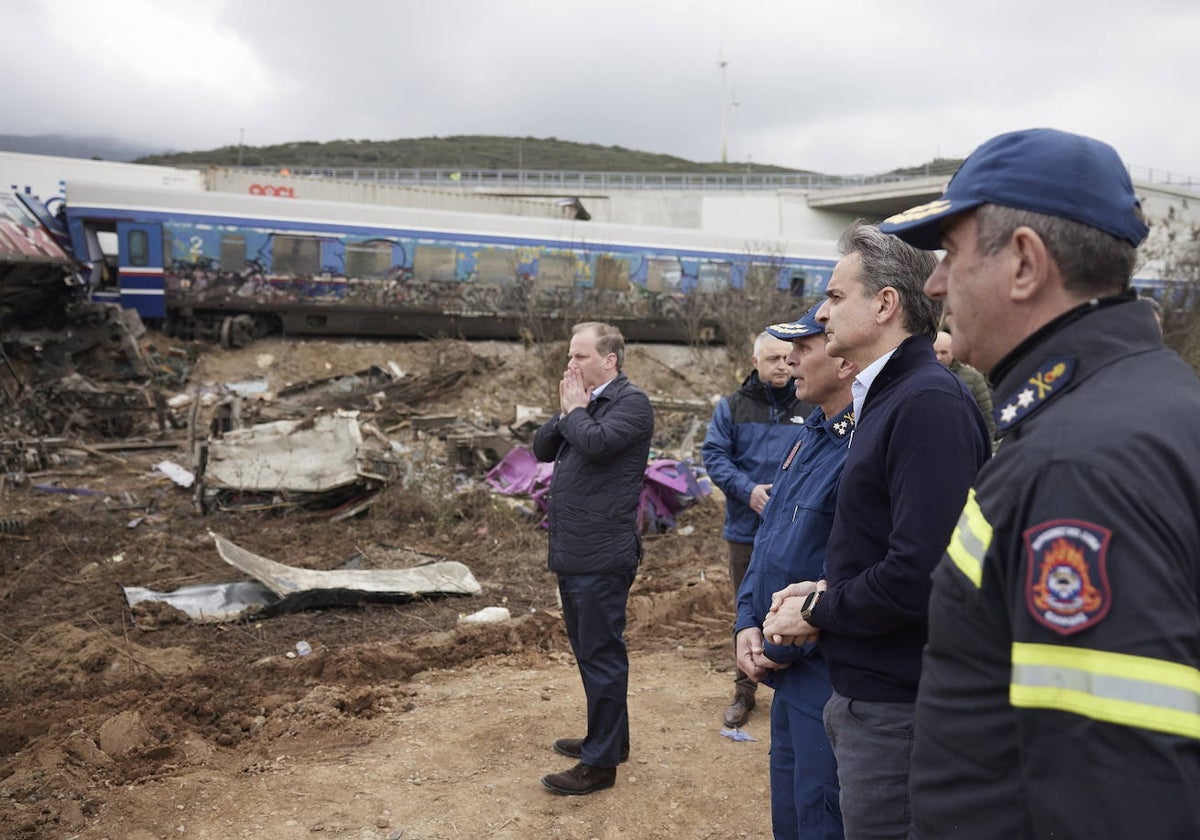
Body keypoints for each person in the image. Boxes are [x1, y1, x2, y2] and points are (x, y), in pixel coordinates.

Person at [879, 127, 1200, 838]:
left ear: (1024, 262)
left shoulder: (1074, 466)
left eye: (952, 255)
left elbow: (1114, 796)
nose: (934, 284)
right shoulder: (1147, 398)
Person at [762, 221, 991, 840]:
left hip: (898, 703)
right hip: (874, 690)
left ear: (885, 304)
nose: (822, 312)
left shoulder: (925, 404)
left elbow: (925, 573)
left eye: (836, 298)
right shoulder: (892, 398)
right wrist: (823, 587)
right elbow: (892, 545)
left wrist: (821, 606)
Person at [734, 303, 856, 840]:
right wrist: (745, 623)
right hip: (784, 664)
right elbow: (769, 546)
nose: (791, 360)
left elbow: (841, 568)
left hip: (820, 670)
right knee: (790, 808)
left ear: (844, 362)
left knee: (821, 813)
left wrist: (775, 648)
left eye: (804, 349)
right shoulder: (811, 434)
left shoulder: (861, 446)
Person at [532, 321, 654, 796]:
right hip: (575, 550)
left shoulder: (632, 403)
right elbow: (542, 449)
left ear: (610, 361)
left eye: (580, 356)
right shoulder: (583, 404)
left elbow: (598, 444)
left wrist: (577, 412)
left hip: (602, 554)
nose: (570, 364)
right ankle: (610, 740)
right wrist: (568, 411)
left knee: (602, 655)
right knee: (590, 653)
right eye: (569, 356)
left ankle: (600, 765)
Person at [703, 330, 812, 728]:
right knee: (745, 609)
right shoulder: (732, 407)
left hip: (797, 531)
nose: (782, 366)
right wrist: (747, 491)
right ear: (755, 363)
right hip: (745, 528)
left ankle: (795, 687)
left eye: (787, 358)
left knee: (798, 606)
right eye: (773, 360)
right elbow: (714, 456)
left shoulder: (810, 402)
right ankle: (743, 690)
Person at [933, 329, 995, 438]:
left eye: (944, 352)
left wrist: (987, 450)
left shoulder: (974, 378)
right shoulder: (920, 377)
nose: (939, 358)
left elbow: (987, 418)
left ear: (952, 352)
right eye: (935, 352)